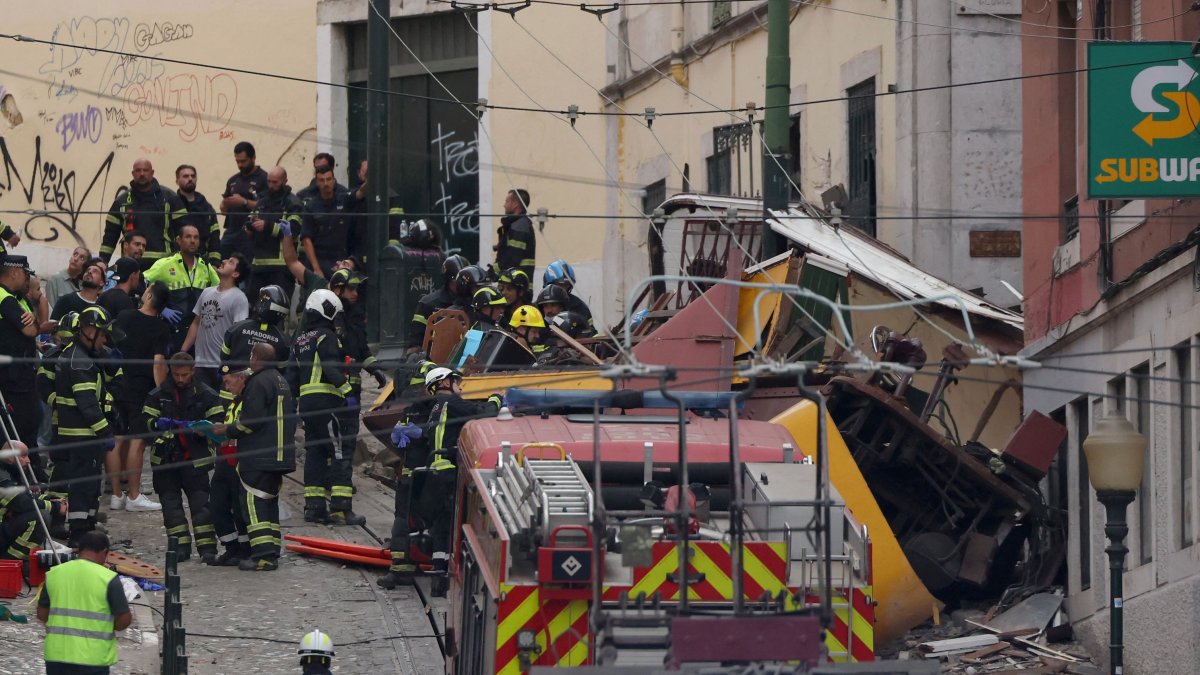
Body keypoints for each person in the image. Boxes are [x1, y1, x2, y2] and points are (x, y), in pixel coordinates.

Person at [377, 367, 500, 590]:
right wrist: (496, 400)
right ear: (443, 383)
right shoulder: (447, 404)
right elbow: (482, 412)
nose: (460, 387)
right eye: (456, 381)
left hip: (424, 475)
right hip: (440, 474)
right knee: (439, 524)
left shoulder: (429, 408)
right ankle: (430, 574)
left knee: (431, 524)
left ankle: (424, 572)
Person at [215, 343, 295, 571]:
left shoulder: (258, 382)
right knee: (269, 504)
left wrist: (227, 430)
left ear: (254, 358)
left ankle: (263, 555)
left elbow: (252, 422)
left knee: (253, 503)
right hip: (280, 455)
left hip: (259, 455)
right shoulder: (280, 380)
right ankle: (272, 549)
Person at [142, 353, 223, 563]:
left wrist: (203, 430)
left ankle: (207, 548)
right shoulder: (158, 394)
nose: (180, 379)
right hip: (166, 460)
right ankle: (179, 548)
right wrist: (157, 425)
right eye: (177, 374)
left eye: (184, 375)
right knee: (171, 508)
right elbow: (145, 423)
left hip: (195, 460)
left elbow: (219, 423)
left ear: (193, 370)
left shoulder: (206, 394)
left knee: (201, 506)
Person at [291, 289, 362, 526]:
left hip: (307, 407)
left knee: (315, 454)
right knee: (339, 452)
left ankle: (314, 507)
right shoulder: (327, 336)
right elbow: (331, 369)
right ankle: (341, 509)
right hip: (326, 404)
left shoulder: (300, 340)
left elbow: (291, 377)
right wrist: (348, 392)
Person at [53, 306, 119, 545]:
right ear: (89, 331)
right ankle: (80, 532)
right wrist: (105, 431)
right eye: (101, 334)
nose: (104, 339)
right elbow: (88, 404)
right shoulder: (80, 363)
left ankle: (88, 527)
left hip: (81, 434)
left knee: (91, 483)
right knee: (83, 485)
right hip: (83, 434)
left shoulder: (80, 356)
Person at [108, 283, 171, 513]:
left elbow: (110, 343)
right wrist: (163, 393)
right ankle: (134, 496)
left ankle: (116, 494)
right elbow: (158, 364)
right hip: (140, 389)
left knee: (115, 439)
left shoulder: (124, 316)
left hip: (117, 384)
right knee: (138, 440)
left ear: (149, 295)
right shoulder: (161, 328)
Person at [37, 531, 132, 674]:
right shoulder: (109, 578)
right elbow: (124, 620)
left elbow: (42, 614)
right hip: (93, 658)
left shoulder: (53, 574)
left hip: (57, 656)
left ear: (79, 550)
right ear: (105, 552)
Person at [0, 255, 45, 481]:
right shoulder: (4, 298)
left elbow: (36, 325)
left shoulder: (17, 298)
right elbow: (30, 330)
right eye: (26, 274)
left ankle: (34, 477)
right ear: (16, 272)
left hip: (21, 378)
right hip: (12, 382)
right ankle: (27, 478)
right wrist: (34, 326)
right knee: (22, 432)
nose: (28, 279)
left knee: (30, 427)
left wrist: (34, 324)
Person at [142, 223, 220, 350]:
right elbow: (141, 283)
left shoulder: (205, 265)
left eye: (196, 237)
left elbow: (220, 291)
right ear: (179, 240)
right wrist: (160, 309)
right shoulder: (165, 264)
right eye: (188, 237)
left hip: (198, 333)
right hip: (172, 331)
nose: (193, 241)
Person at [101, 158, 186, 271]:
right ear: (133, 174)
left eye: (145, 170)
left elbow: (184, 231)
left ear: (152, 173)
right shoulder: (121, 201)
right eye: (138, 170)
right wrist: (102, 261)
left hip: (164, 266)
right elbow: (110, 236)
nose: (142, 174)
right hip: (130, 266)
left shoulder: (170, 198)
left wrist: (182, 260)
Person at [180, 254, 250, 387]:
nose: (223, 261)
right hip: (200, 364)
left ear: (235, 274)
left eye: (230, 262)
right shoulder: (206, 292)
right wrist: (183, 352)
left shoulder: (239, 298)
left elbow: (239, 333)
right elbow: (196, 323)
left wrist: (230, 365)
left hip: (221, 367)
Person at [208, 365, 250, 566]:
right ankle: (230, 546)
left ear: (241, 378)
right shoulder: (234, 403)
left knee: (239, 506)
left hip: (239, 461)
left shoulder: (250, 400)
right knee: (217, 504)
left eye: (228, 381)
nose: (225, 386)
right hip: (224, 460)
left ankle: (244, 548)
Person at [245, 166, 303, 301]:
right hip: (258, 266)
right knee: (254, 307)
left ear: (285, 181)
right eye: (269, 181)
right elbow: (249, 219)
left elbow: (293, 230)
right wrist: (250, 226)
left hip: (281, 268)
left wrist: (267, 227)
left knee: (278, 308)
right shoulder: (262, 202)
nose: (271, 185)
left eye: (275, 182)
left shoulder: (293, 203)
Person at [0, 441, 62, 560]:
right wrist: (55, 507)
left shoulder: (12, 471)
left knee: (41, 511)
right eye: (23, 456)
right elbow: (21, 503)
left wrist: (51, 500)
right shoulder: (2, 477)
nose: (28, 460)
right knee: (40, 517)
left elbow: (27, 496)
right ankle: (10, 561)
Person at [221, 285, 292, 387]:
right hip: (261, 393)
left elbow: (223, 359)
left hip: (230, 393)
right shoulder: (284, 341)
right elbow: (281, 373)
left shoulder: (236, 329)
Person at [300, 166, 359, 280]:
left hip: (340, 259)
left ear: (334, 180)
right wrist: (316, 268)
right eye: (322, 180)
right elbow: (306, 240)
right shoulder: (311, 207)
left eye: (328, 179)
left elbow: (360, 193)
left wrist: (370, 179)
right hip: (320, 259)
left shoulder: (343, 199)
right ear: (317, 182)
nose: (326, 183)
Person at [218, 142, 268, 260]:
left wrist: (244, 202)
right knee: (221, 260)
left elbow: (267, 207)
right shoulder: (233, 180)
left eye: (243, 161)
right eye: (237, 162)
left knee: (247, 266)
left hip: (251, 232)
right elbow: (223, 210)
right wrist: (225, 204)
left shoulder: (264, 179)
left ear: (253, 158)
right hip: (231, 230)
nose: (240, 165)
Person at [409, 254, 469, 350]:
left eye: (465, 281)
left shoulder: (474, 303)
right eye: (458, 281)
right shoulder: (428, 304)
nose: (462, 285)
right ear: (447, 280)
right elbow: (415, 344)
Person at [174, 164, 222, 264]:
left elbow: (214, 237)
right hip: (176, 261)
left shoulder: (206, 207)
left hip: (202, 260)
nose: (190, 179)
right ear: (177, 181)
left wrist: (215, 262)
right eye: (185, 176)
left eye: (193, 176)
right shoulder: (172, 205)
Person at [542, 259, 594, 335]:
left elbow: (591, 333)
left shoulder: (579, 306)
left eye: (565, 285)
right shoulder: (537, 308)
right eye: (559, 285)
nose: (562, 290)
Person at [492, 188, 535, 280]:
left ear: (515, 204)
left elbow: (510, 259)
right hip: (513, 287)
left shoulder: (519, 227)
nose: (504, 205)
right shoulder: (515, 225)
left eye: (507, 202)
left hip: (516, 287)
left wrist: (490, 273)